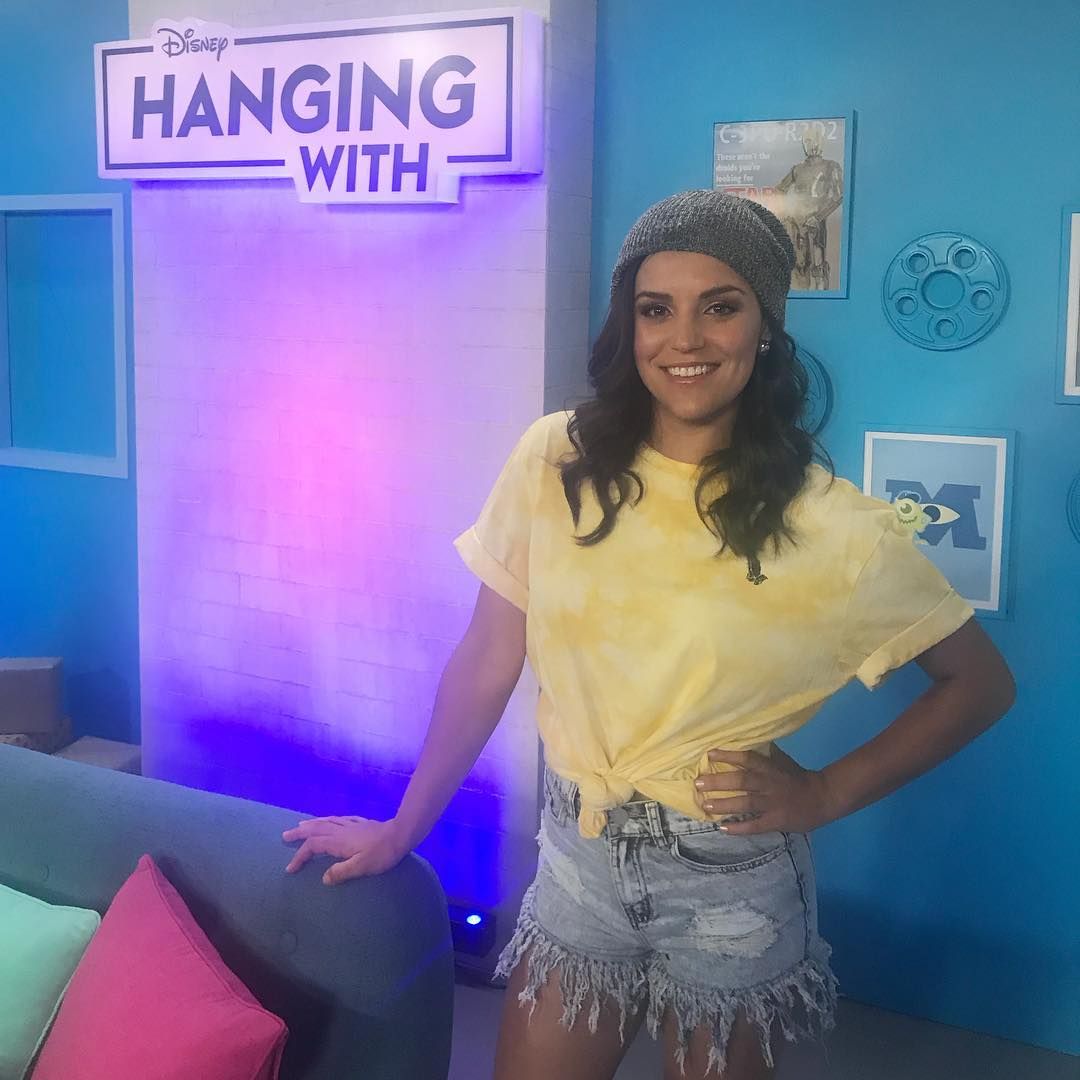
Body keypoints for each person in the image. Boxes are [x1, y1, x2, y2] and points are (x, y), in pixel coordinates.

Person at [281, 190, 1015, 1080]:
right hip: (577, 861)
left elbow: (979, 684)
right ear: (628, 325)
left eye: (721, 307)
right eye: (656, 309)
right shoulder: (556, 459)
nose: (685, 339)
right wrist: (405, 828)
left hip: (731, 880)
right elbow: (487, 659)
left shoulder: (835, 528)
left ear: (766, 328)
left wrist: (823, 793)